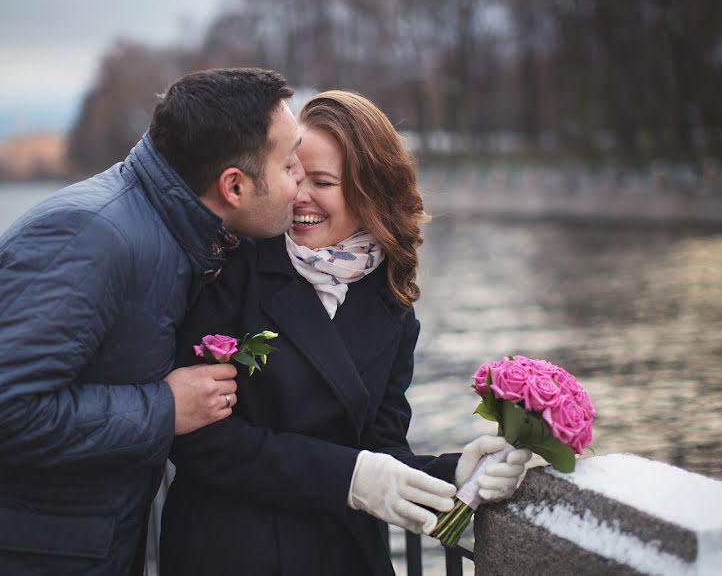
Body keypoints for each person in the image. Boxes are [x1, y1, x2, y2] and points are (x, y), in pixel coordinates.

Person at [0, 68, 305, 575]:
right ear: (234, 186)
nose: (300, 183)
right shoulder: (86, 237)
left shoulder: (168, 229)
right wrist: (164, 408)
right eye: (290, 165)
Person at [160, 90, 532, 576]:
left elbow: (380, 450)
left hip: (343, 553)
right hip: (232, 549)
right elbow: (197, 441)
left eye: (323, 182)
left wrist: (455, 471)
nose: (299, 195)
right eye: (294, 173)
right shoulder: (233, 268)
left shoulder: (393, 303)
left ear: (368, 193)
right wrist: (348, 477)